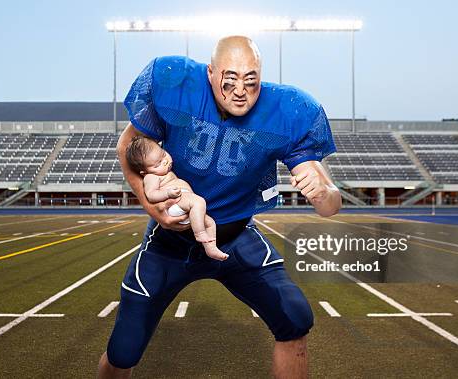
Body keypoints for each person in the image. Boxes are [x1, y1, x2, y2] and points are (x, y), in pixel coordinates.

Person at [98, 35, 341, 379]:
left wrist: (322, 192)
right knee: (124, 349)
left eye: (251, 80)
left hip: (235, 236)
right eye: (230, 79)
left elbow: (330, 203)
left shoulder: (288, 111)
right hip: (173, 243)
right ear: (210, 73)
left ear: (261, 76)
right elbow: (129, 147)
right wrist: (155, 211)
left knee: (295, 318)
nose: (240, 90)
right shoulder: (176, 84)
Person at [126, 134, 228, 261]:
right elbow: (151, 195)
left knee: (210, 222)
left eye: (163, 155)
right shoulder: (151, 177)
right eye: (157, 164)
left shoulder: (164, 172)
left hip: (184, 203)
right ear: (144, 172)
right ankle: (200, 233)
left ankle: (211, 248)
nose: (165, 161)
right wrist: (167, 193)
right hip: (174, 204)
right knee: (199, 202)